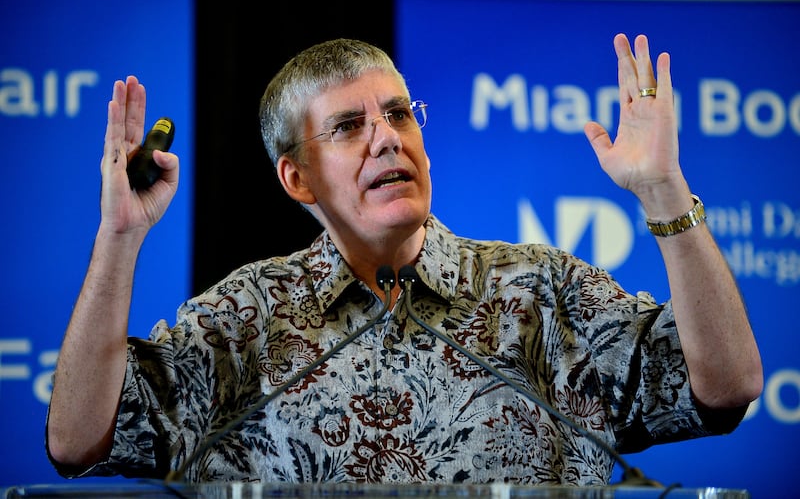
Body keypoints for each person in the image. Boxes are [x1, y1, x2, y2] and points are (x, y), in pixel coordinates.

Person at [45, 33, 762, 486]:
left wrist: (665, 190)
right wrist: (119, 236)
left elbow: (726, 385)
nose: (387, 139)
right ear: (298, 178)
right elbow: (76, 443)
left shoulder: (544, 290)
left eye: (398, 114)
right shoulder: (242, 317)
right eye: (350, 127)